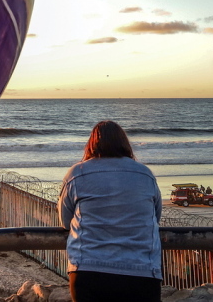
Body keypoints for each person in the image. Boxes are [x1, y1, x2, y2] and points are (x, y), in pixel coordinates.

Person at [59, 121, 162, 302]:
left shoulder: (77, 173)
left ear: (91, 144)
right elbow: (156, 215)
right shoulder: (145, 174)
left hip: (88, 270)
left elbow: (65, 221)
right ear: (124, 143)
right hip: (141, 270)